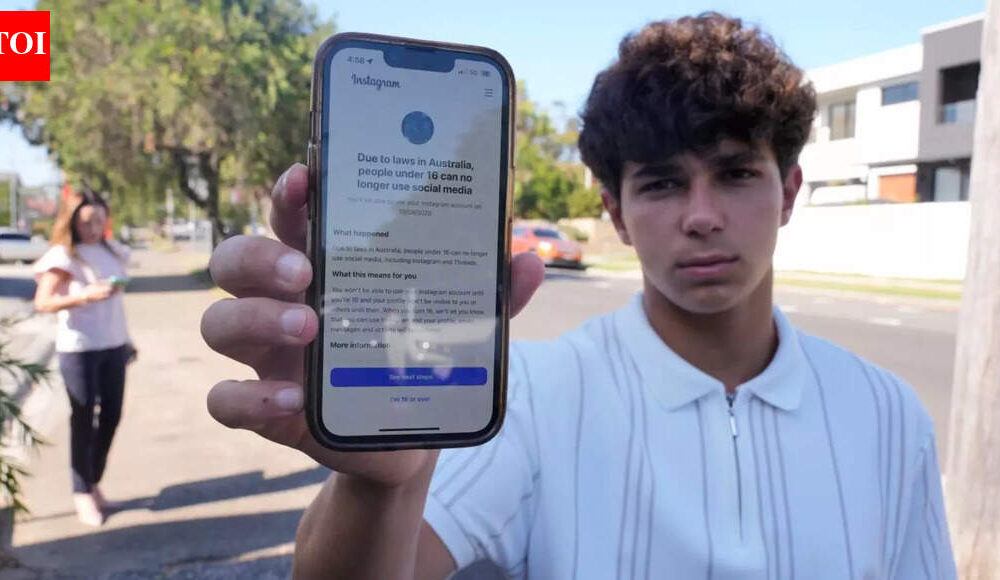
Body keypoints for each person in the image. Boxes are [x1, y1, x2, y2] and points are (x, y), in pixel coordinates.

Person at [200, 12, 956, 579]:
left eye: (734, 173)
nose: (701, 216)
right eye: (661, 183)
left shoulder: (889, 416)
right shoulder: (529, 396)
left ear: (787, 191)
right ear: (616, 213)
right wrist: (382, 485)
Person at [33, 188, 134, 527]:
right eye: (87, 222)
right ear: (73, 221)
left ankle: (92, 482)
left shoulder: (109, 250)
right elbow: (42, 302)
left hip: (114, 344)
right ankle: (82, 492)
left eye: (99, 221)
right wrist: (84, 296)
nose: (93, 228)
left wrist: (127, 340)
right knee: (83, 418)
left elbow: (115, 304)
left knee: (112, 416)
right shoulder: (64, 256)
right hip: (79, 348)